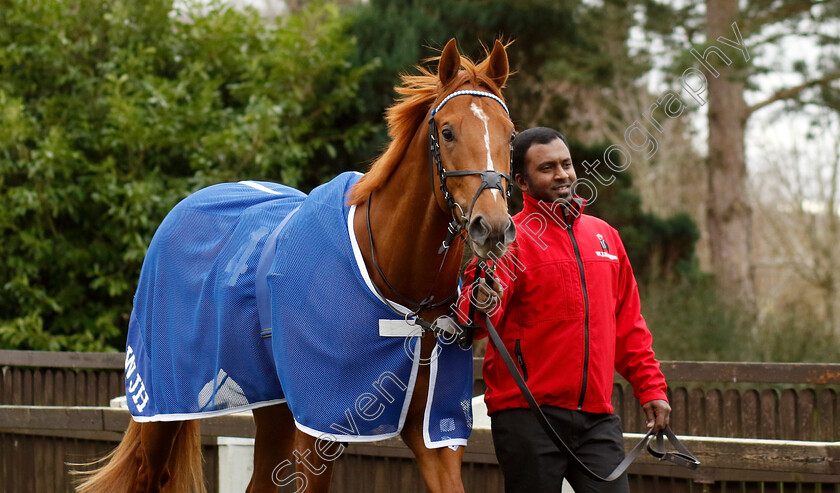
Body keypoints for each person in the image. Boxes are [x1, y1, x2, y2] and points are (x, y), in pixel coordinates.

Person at [458, 127, 671, 492]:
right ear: (522, 182)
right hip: (528, 417)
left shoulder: (606, 237)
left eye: (566, 164)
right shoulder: (511, 241)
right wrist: (482, 287)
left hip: (596, 418)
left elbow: (629, 325)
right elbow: (472, 324)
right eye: (548, 168)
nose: (562, 175)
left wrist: (651, 389)